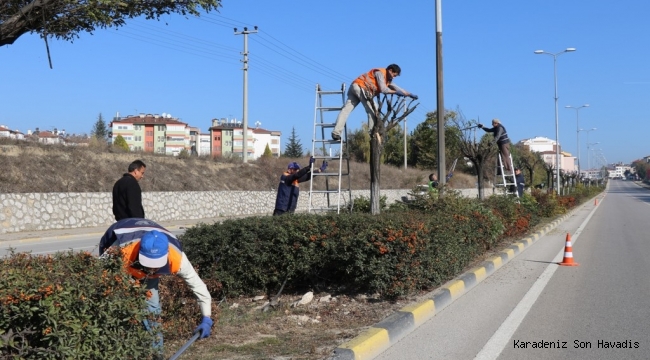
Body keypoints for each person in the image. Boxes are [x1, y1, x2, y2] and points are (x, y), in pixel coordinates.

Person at [99, 218, 213, 357]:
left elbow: (199, 287)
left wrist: (206, 317)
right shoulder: (120, 250)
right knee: (114, 304)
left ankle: (156, 355)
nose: (152, 268)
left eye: (156, 264)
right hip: (117, 249)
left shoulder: (177, 258)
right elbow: (99, 277)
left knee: (152, 311)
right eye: (148, 263)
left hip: (143, 259)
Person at [331, 64, 418, 141]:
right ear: (390, 70)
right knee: (373, 110)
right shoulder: (380, 73)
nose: (394, 78)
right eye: (394, 75)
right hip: (361, 87)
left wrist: (409, 94)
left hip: (355, 86)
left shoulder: (387, 79)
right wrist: (395, 92)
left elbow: (398, 88)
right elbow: (384, 89)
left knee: (346, 110)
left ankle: (336, 133)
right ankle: (372, 134)